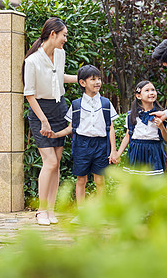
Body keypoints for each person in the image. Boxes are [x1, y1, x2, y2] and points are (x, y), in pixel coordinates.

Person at [23, 17, 77, 226]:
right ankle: (41, 210)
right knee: (50, 162)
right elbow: (29, 94)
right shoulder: (32, 61)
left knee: (56, 165)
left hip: (59, 108)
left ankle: (51, 210)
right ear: (53, 34)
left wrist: (83, 78)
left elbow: (59, 76)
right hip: (40, 112)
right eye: (64, 35)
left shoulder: (60, 54)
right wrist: (43, 120)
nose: (66, 38)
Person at [51, 65, 118, 220]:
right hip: (82, 144)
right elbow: (70, 128)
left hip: (101, 145)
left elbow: (111, 128)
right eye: (93, 79)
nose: (98, 82)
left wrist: (113, 150)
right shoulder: (76, 104)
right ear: (82, 83)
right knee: (81, 179)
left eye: (99, 79)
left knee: (99, 179)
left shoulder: (106, 103)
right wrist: (55, 135)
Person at [113, 80, 167, 175]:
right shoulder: (132, 115)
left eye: (153, 90)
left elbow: (166, 138)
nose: (151, 93)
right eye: (147, 90)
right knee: (135, 182)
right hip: (136, 150)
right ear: (138, 96)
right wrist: (118, 154)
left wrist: (161, 127)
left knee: (154, 183)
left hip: (154, 150)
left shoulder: (161, 114)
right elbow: (128, 135)